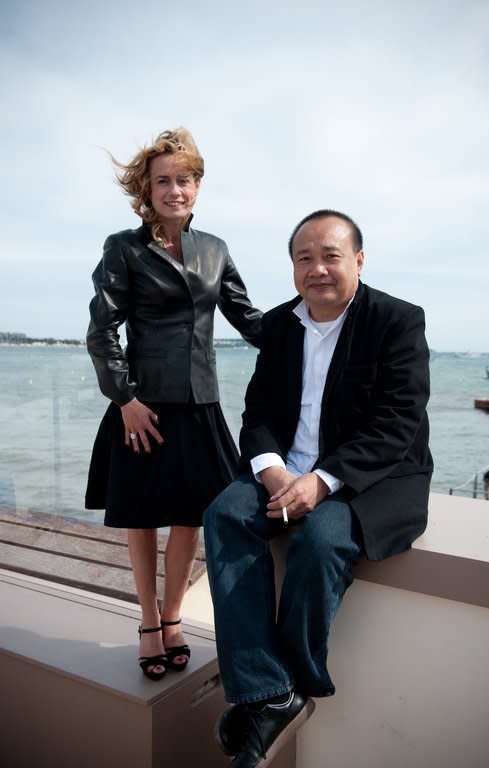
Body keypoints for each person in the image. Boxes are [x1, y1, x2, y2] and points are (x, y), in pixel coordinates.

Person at [203, 209, 433, 767]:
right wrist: (272, 468)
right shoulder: (280, 325)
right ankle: (270, 693)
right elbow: (257, 410)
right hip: (287, 468)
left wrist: (323, 481)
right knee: (223, 515)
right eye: (304, 258)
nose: (317, 269)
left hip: (364, 479)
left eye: (331, 256)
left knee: (321, 542)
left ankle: (290, 683)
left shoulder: (397, 320)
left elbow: (398, 421)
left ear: (358, 260)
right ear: (292, 269)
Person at [85, 128, 262, 681]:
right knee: (142, 518)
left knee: (191, 518)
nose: (174, 189)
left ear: (198, 185)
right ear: (148, 188)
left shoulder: (215, 249)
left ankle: (173, 616)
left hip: (201, 403)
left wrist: (310, 323)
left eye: (183, 179)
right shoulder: (124, 248)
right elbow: (101, 331)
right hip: (143, 405)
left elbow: (249, 318)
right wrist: (125, 400)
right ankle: (146, 622)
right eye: (163, 180)